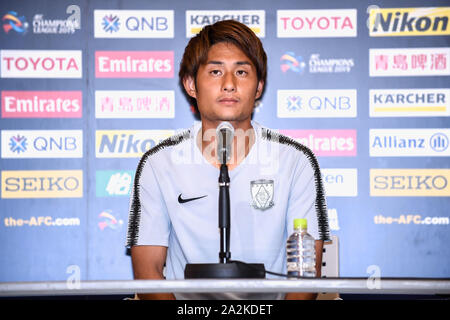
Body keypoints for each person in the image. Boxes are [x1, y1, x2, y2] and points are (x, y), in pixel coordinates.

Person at [126, 20, 330, 300]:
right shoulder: (159, 163)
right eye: (215, 71)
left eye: (242, 72)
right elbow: (147, 271)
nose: (229, 84)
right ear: (190, 85)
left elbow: (305, 271)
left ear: (258, 87)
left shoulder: (295, 161)